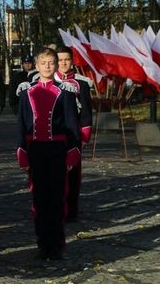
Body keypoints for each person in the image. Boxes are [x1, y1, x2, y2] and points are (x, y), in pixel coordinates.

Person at [16, 47, 81, 260]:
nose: (47, 66)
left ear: (55, 66)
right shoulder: (27, 92)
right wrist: (22, 152)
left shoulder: (65, 92)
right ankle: (42, 243)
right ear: (36, 66)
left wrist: (72, 153)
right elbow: (22, 125)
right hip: (36, 150)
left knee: (56, 197)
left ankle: (57, 244)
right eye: (43, 63)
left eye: (51, 63)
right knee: (39, 198)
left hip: (57, 150)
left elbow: (72, 125)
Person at [56, 46, 93, 221]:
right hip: (52, 134)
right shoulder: (47, 79)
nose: (63, 63)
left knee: (73, 173)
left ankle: (71, 209)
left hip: (73, 135)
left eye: (66, 59)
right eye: (60, 59)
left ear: (72, 61)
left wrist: (84, 136)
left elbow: (86, 112)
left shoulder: (81, 83)